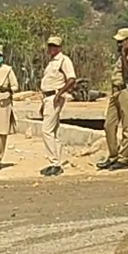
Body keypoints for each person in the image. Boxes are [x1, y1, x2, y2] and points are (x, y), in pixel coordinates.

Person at [100, 28, 128, 171]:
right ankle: (113, 155)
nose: (118, 44)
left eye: (120, 42)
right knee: (109, 125)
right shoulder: (120, 55)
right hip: (115, 91)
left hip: (126, 90)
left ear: (127, 41)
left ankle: (124, 157)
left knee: (127, 125)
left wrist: (125, 55)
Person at [38, 35, 77, 177]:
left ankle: (54, 162)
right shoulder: (51, 63)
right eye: (50, 46)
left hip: (54, 96)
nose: (51, 48)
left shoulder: (63, 60)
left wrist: (59, 93)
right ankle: (56, 162)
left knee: (46, 131)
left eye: (54, 46)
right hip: (48, 97)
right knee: (53, 131)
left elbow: (71, 78)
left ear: (59, 47)